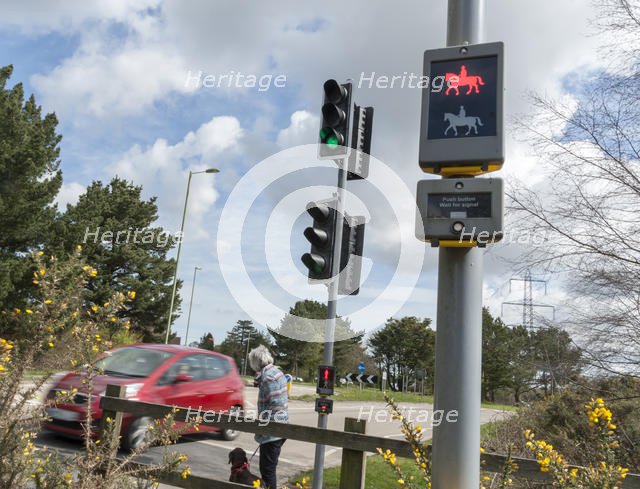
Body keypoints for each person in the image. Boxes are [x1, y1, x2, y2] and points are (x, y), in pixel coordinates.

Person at [248, 345, 288, 489]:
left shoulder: (267, 378)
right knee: (269, 469)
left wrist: (263, 426)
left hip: (272, 431)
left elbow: (275, 404)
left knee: (267, 471)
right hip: (281, 428)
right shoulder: (277, 372)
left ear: (256, 362)